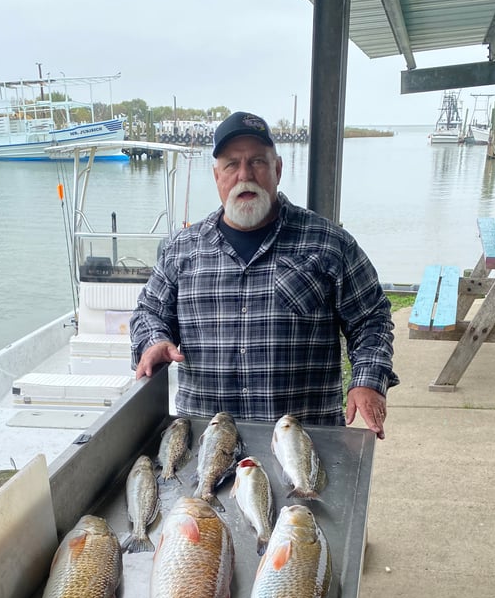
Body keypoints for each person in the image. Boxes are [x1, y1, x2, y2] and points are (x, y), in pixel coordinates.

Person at [130, 111, 398, 438]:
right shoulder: (181, 249)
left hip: (305, 444)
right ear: (217, 176)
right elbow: (150, 311)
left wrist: (368, 381)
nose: (245, 175)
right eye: (231, 164)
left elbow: (371, 318)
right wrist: (154, 339)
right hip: (206, 443)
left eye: (257, 161)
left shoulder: (329, 243)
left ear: (278, 170)